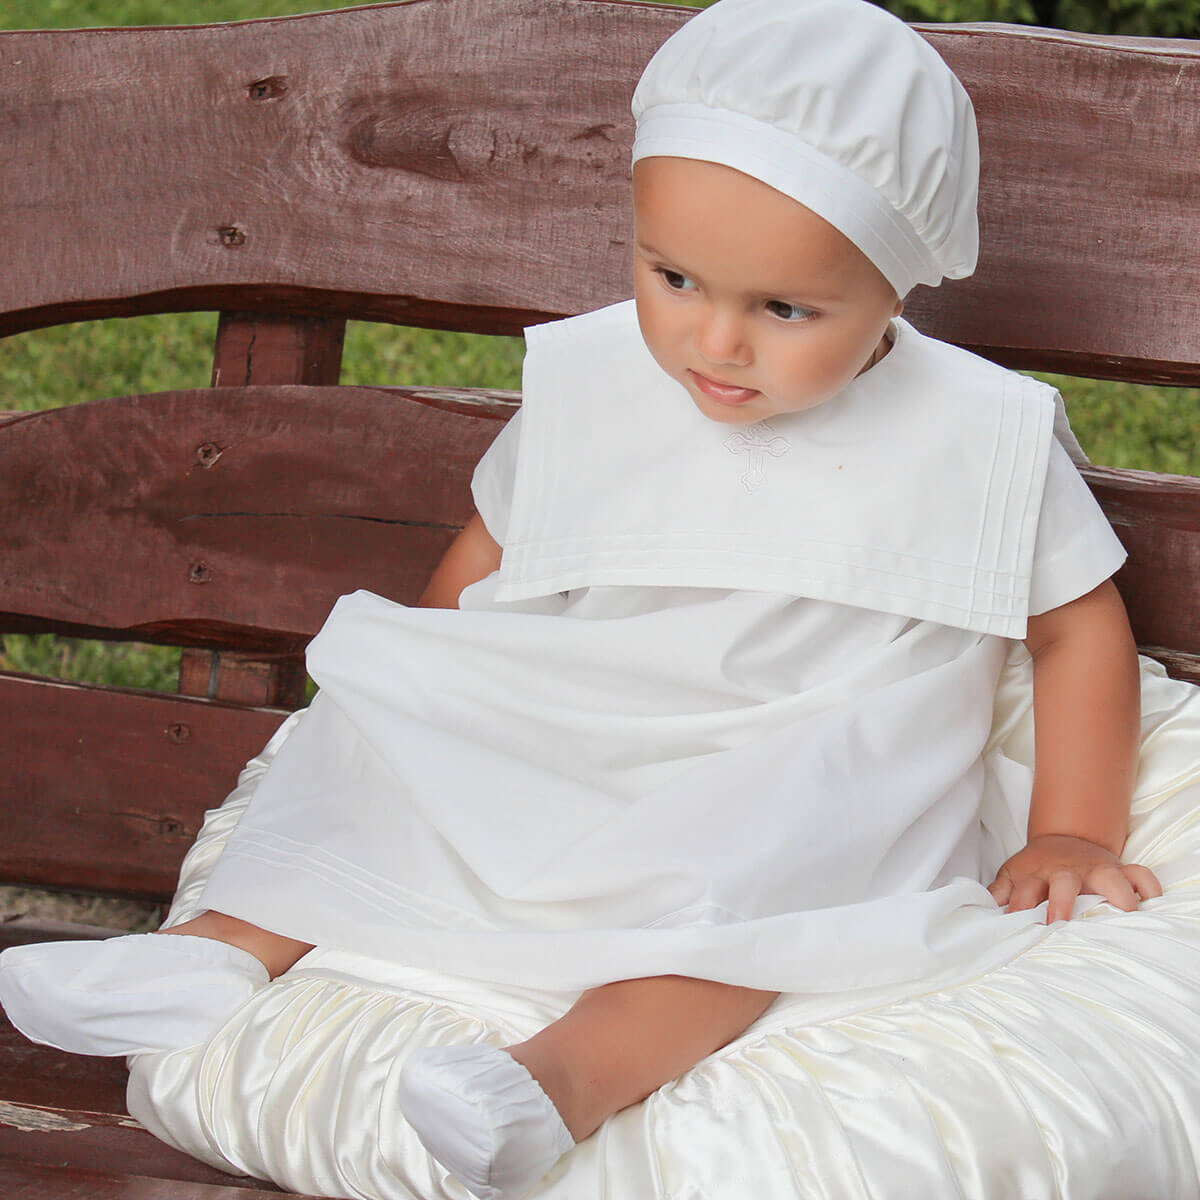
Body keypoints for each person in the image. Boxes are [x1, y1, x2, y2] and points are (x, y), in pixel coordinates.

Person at [0, 1, 1166, 1197]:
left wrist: (1068, 830)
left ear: (897, 284)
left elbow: (1078, 628)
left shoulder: (977, 437)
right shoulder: (605, 374)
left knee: (765, 907)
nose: (713, 341)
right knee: (379, 759)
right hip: (596, 698)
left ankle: (554, 1082)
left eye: (784, 309)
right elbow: (497, 546)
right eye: (674, 276)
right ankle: (215, 954)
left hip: (805, 742)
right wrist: (436, 700)